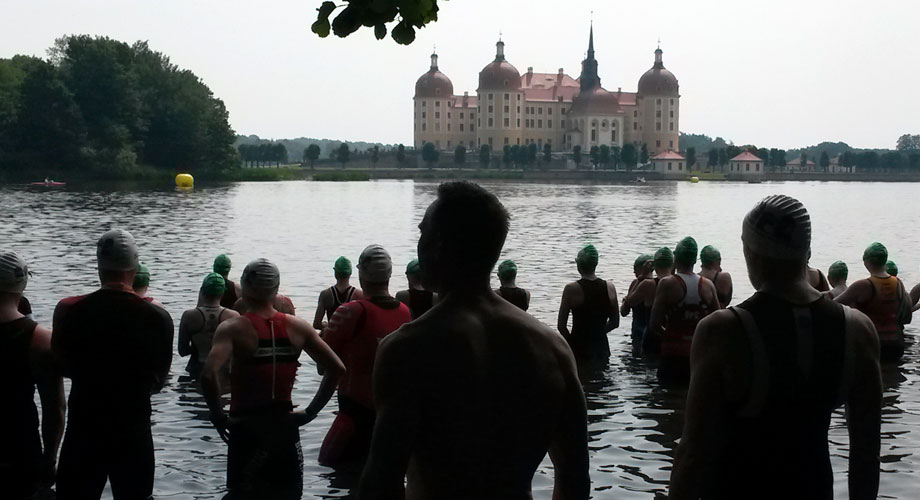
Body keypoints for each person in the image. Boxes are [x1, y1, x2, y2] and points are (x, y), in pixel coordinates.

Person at [360, 182, 589, 500]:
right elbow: (574, 480)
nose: (419, 243)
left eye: (422, 233)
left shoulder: (407, 349)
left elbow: (381, 482)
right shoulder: (553, 350)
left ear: (438, 245)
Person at [669, 194, 881, 500]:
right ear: (806, 252)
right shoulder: (857, 330)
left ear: (752, 253)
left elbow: (692, 453)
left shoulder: (723, 330)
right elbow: (865, 455)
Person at [201, 258, 345, 499]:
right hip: (285, 429)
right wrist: (310, 412)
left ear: (245, 287)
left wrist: (217, 415)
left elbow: (208, 374)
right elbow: (337, 368)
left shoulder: (232, 328)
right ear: (276, 290)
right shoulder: (299, 327)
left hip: (245, 430)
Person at [52, 229, 174, 500]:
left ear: (99, 265)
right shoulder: (158, 317)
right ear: (135, 266)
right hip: (133, 430)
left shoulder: (68, 310)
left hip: (84, 428)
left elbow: (62, 365)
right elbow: (158, 379)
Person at [318, 245, 412, 467]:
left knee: (334, 471)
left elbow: (324, 366)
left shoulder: (349, 311)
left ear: (360, 274)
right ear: (390, 273)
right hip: (389, 416)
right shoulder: (405, 312)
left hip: (353, 414)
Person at [0, 251, 65, 500]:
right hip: (20, 451)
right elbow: (55, 407)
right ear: (22, 284)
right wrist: (49, 460)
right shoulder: (39, 339)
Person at [648, 237, 720, 384]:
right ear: (695, 260)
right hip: (698, 355)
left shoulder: (667, 284)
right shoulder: (708, 285)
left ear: (676, 258)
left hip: (672, 354)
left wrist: (670, 336)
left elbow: (654, 324)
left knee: (668, 398)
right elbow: (718, 324)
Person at [835, 242, 912, 360]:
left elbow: (832, 305)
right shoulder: (898, 283)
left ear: (866, 262)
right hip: (896, 342)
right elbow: (905, 313)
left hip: (871, 342)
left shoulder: (863, 285)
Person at [557, 244, 619, 365]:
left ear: (579, 265)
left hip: (579, 349)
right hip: (602, 347)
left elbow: (561, 326)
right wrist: (598, 333)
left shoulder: (571, 289)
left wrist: (571, 344)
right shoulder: (610, 287)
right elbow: (615, 323)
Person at [178, 273, 239, 379]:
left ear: (202, 291)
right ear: (222, 292)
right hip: (224, 370)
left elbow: (182, 351)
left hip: (196, 369)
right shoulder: (233, 316)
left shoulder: (189, 316)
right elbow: (238, 351)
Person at [313, 256, 363, 331]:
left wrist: (326, 325)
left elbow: (316, 324)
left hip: (332, 338)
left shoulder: (325, 294)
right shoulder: (359, 295)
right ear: (350, 273)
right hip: (351, 339)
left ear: (335, 272)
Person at [621, 254, 655, 355]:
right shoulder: (659, 283)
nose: (634, 271)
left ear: (643, 268)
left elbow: (624, 311)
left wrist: (625, 300)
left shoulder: (636, 283)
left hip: (637, 333)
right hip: (652, 334)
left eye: (635, 268)